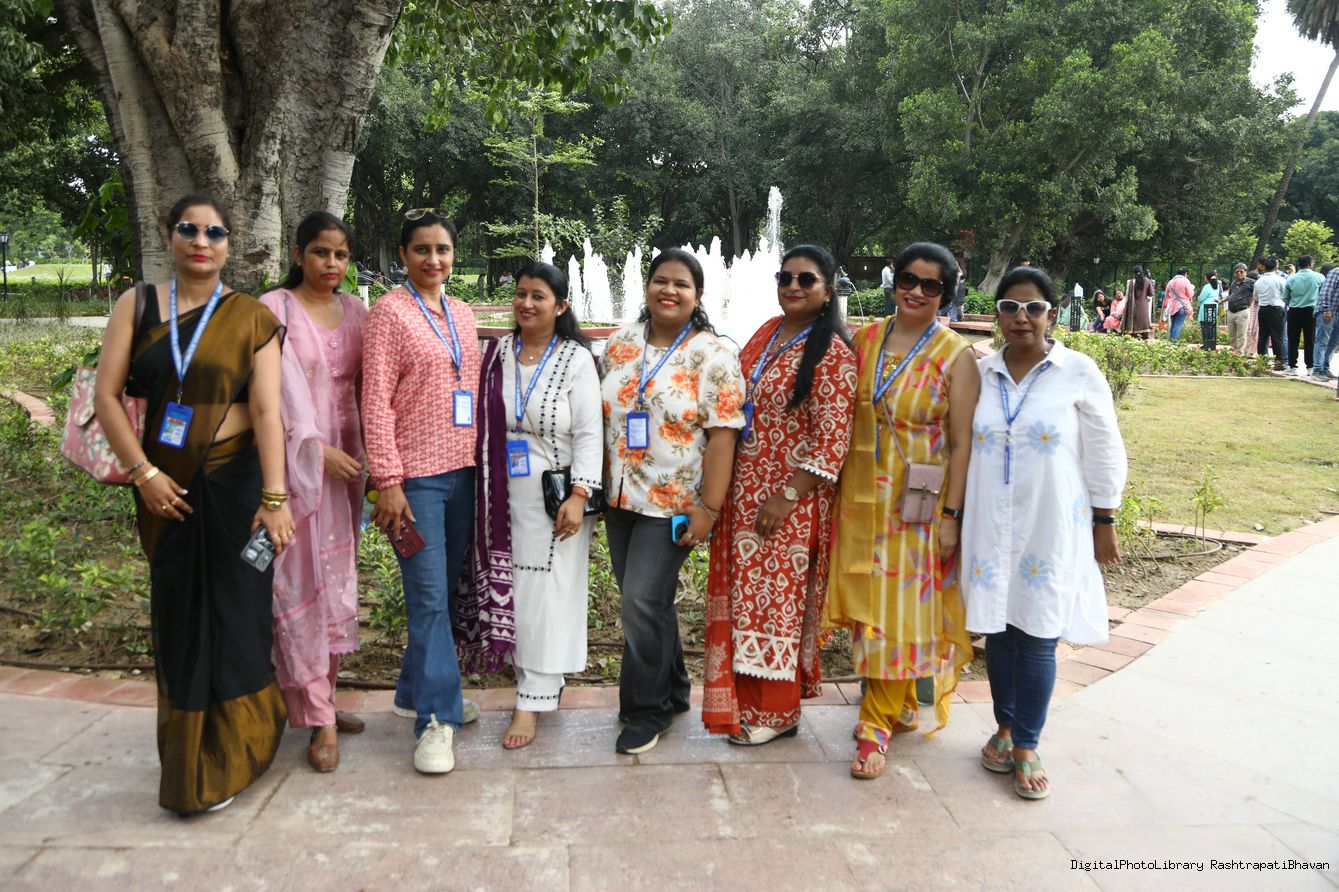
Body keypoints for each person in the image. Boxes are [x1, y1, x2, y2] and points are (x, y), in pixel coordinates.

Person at [93, 194, 291, 815]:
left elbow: (268, 411)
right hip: (165, 488)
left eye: (214, 232)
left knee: (239, 612)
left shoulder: (250, 316)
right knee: (179, 616)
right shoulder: (137, 305)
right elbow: (105, 397)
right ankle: (186, 768)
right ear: (169, 235)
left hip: (237, 486)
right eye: (189, 229)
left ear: (230, 243)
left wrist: (275, 498)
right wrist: (143, 473)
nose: (201, 241)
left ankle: (240, 751)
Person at [962, 266, 1127, 800]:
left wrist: (1105, 519)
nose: (1021, 318)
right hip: (990, 520)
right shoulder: (981, 373)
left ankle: (1027, 743)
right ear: (997, 315)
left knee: (1037, 632)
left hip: (1051, 523)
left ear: (1051, 315)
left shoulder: (1077, 371)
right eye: (1009, 307)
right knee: (999, 629)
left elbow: (1104, 447)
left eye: (1033, 307)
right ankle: (1004, 727)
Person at [827, 241, 982, 780]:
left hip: (916, 506)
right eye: (908, 279)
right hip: (859, 499)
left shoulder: (955, 356)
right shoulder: (866, 339)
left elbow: (962, 443)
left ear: (946, 293)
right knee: (868, 604)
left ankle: (875, 726)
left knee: (899, 612)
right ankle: (901, 700)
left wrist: (951, 516)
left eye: (931, 285)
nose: (916, 291)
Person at [702, 245, 857, 745]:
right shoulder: (768, 331)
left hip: (789, 503)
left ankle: (777, 712)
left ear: (827, 290)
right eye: (785, 277)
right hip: (743, 493)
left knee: (777, 605)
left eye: (806, 279)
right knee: (747, 602)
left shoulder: (833, 352)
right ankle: (748, 705)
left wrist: (786, 497)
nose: (793, 286)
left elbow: (833, 440)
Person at [600, 248, 746, 755]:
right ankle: (676, 688)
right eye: (660, 280)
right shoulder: (620, 343)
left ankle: (648, 709)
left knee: (640, 600)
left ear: (698, 296)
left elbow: (724, 436)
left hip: (673, 503)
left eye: (681, 284)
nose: (669, 290)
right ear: (647, 287)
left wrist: (709, 509)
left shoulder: (714, 355)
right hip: (620, 496)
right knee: (649, 600)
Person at [362, 209, 483, 775]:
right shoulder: (389, 314)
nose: (433, 260)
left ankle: (420, 690)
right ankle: (436, 719)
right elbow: (374, 401)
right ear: (403, 255)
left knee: (443, 592)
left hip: (463, 474)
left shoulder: (462, 313)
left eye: (443, 249)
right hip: (415, 482)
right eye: (421, 249)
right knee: (428, 597)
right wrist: (387, 481)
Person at [259, 211, 368, 773]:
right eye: (321, 252)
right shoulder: (273, 309)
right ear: (298, 254)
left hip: (349, 470)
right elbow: (267, 399)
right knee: (298, 583)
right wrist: (316, 451)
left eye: (341, 254)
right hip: (295, 472)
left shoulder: (358, 312)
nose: (331, 263)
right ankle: (319, 718)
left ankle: (322, 696)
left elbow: (370, 387)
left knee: (335, 582)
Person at [494, 262, 603, 749]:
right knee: (518, 589)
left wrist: (580, 496)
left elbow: (590, 433)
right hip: (503, 491)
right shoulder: (498, 352)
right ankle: (535, 679)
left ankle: (531, 700)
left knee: (549, 592)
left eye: (538, 296)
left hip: (556, 495)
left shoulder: (576, 358)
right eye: (521, 294)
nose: (526, 303)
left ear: (560, 306)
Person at [1285, 255, 1323, 376]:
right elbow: (1322, 295)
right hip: (1311, 311)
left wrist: (1293, 302)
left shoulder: (1291, 278)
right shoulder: (1319, 277)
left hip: (1294, 311)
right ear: (1310, 264)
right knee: (1310, 339)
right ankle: (1310, 367)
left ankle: (1292, 366)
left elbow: (1285, 297)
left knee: (1293, 339)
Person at [1253, 256, 1288, 371]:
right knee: (1277, 337)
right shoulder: (1280, 280)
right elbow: (1286, 295)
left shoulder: (1259, 281)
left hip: (1262, 309)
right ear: (1276, 266)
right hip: (1276, 309)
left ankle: (1262, 361)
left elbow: (1255, 297)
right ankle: (1279, 363)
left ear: (1264, 267)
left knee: (1263, 336)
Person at [1313, 263, 1339, 381]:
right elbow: (1326, 292)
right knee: (1322, 340)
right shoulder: (1336, 272)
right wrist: (1327, 310)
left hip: (1337, 314)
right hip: (1328, 312)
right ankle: (1317, 370)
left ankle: (1325, 368)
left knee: (1333, 342)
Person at [1225, 263, 1254, 354]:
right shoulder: (1234, 283)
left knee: (1241, 333)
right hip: (1231, 311)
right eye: (1237, 272)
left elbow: (1256, 293)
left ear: (1246, 272)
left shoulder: (1251, 282)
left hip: (1242, 310)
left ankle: (1240, 352)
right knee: (1232, 334)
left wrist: (1250, 303)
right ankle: (1234, 350)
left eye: (1241, 272)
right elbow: (1231, 295)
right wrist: (1221, 300)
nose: (1239, 274)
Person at [1121, 266, 1155, 339]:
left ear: (1134, 273)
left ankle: (1133, 335)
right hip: (1143, 304)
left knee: (1134, 320)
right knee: (1144, 319)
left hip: (1133, 305)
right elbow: (1151, 293)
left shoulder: (1131, 282)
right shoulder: (1147, 281)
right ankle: (1144, 336)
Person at [1163, 267, 1194, 342]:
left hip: (1172, 306)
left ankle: (1171, 341)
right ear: (1185, 273)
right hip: (1182, 306)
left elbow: (1166, 295)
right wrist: (1192, 289)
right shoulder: (1185, 281)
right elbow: (1190, 295)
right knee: (1178, 324)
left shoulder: (1170, 282)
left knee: (1173, 324)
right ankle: (1174, 342)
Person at [1195, 271, 1223, 350]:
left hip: (1205, 308)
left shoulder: (1207, 286)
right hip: (1213, 307)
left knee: (1205, 326)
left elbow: (1201, 298)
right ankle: (1211, 344)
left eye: (1205, 277)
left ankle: (1206, 344)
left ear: (1208, 278)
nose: (1204, 278)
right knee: (1211, 326)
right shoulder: (1217, 286)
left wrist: (1198, 298)